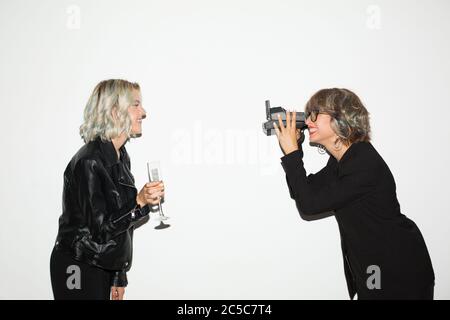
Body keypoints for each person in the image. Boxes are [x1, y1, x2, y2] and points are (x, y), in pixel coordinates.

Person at [273, 88, 435, 300]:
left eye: (315, 113)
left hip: (398, 268)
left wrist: (292, 154)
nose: (308, 120)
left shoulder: (363, 162)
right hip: (373, 267)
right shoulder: (341, 161)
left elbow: (309, 205)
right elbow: (303, 191)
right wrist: (296, 151)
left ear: (341, 117)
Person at [50, 79, 165, 300]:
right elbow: (100, 229)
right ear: (115, 112)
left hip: (102, 265)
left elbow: (121, 224)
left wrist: (118, 276)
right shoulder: (89, 161)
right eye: (136, 104)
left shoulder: (120, 156)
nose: (144, 112)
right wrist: (139, 201)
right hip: (78, 265)